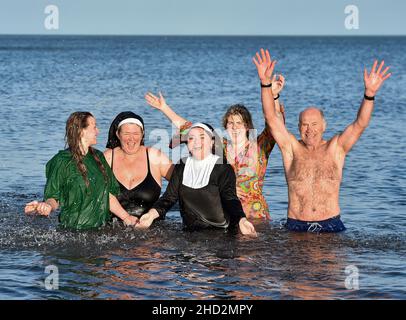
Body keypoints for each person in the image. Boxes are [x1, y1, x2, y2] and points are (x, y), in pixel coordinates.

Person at [254, 48, 392, 232]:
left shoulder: (336, 148)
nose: (309, 129)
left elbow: (360, 123)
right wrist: (265, 84)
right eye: (304, 124)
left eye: (314, 124)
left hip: (331, 226)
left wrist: (369, 94)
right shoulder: (291, 148)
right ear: (298, 127)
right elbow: (271, 117)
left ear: (324, 126)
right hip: (296, 227)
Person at [144, 76, 285, 220]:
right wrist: (164, 108)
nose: (235, 127)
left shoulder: (260, 146)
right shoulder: (219, 146)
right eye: (230, 123)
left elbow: (276, 124)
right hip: (224, 215)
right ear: (225, 126)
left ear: (247, 126)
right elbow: (189, 128)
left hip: (255, 216)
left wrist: (273, 96)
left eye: (239, 123)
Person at [135, 122, 257, 236]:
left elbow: (230, 199)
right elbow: (169, 198)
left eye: (202, 138)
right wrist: (150, 215)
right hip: (189, 234)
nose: (197, 142)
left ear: (212, 142)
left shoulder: (223, 168)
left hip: (221, 235)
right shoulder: (181, 165)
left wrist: (242, 220)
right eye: (191, 138)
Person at [24, 112, 138, 230]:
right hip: (73, 231)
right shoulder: (61, 161)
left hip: (101, 230)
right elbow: (53, 197)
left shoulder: (98, 156)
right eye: (94, 127)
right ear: (81, 131)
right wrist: (47, 206)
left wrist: (127, 218)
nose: (98, 131)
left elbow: (107, 194)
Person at [104, 112, 174, 218]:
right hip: (113, 230)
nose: (131, 138)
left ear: (142, 135)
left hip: (152, 229)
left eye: (136, 134)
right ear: (118, 134)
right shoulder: (108, 158)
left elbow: (182, 183)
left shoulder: (154, 156)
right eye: (126, 133)